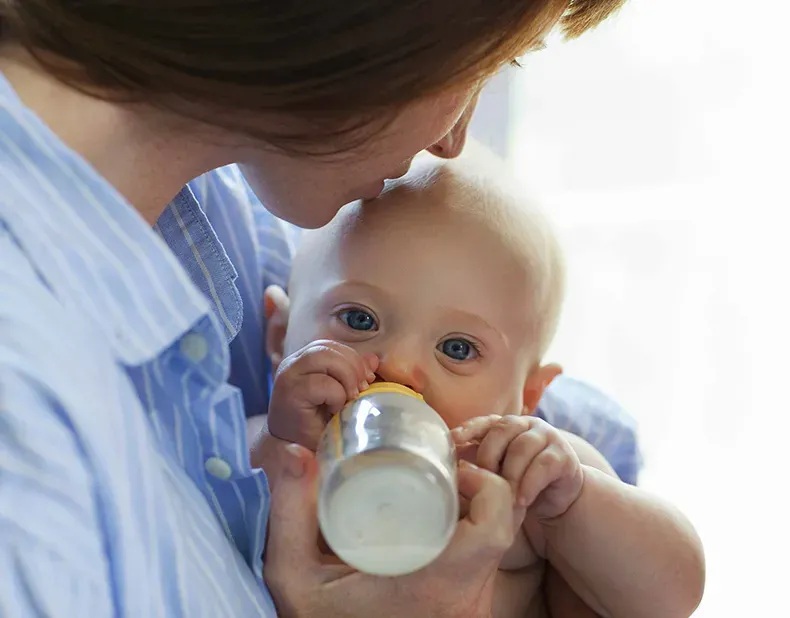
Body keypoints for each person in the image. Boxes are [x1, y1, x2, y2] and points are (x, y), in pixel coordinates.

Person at [0, 1, 628, 616]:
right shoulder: (31, 432)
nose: (453, 138)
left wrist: (573, 492)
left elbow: (598, 441)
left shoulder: (232, 210)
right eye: (474, 65)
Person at [256, 149, 706, 618]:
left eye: (457, 349)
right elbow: (233, 502)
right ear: (279, 336)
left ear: (527, 397)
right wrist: (284, 438)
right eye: (357, 318)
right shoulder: (272, 441)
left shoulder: (523, 479)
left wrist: (573, 501)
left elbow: (674, 594)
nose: (400, 365)